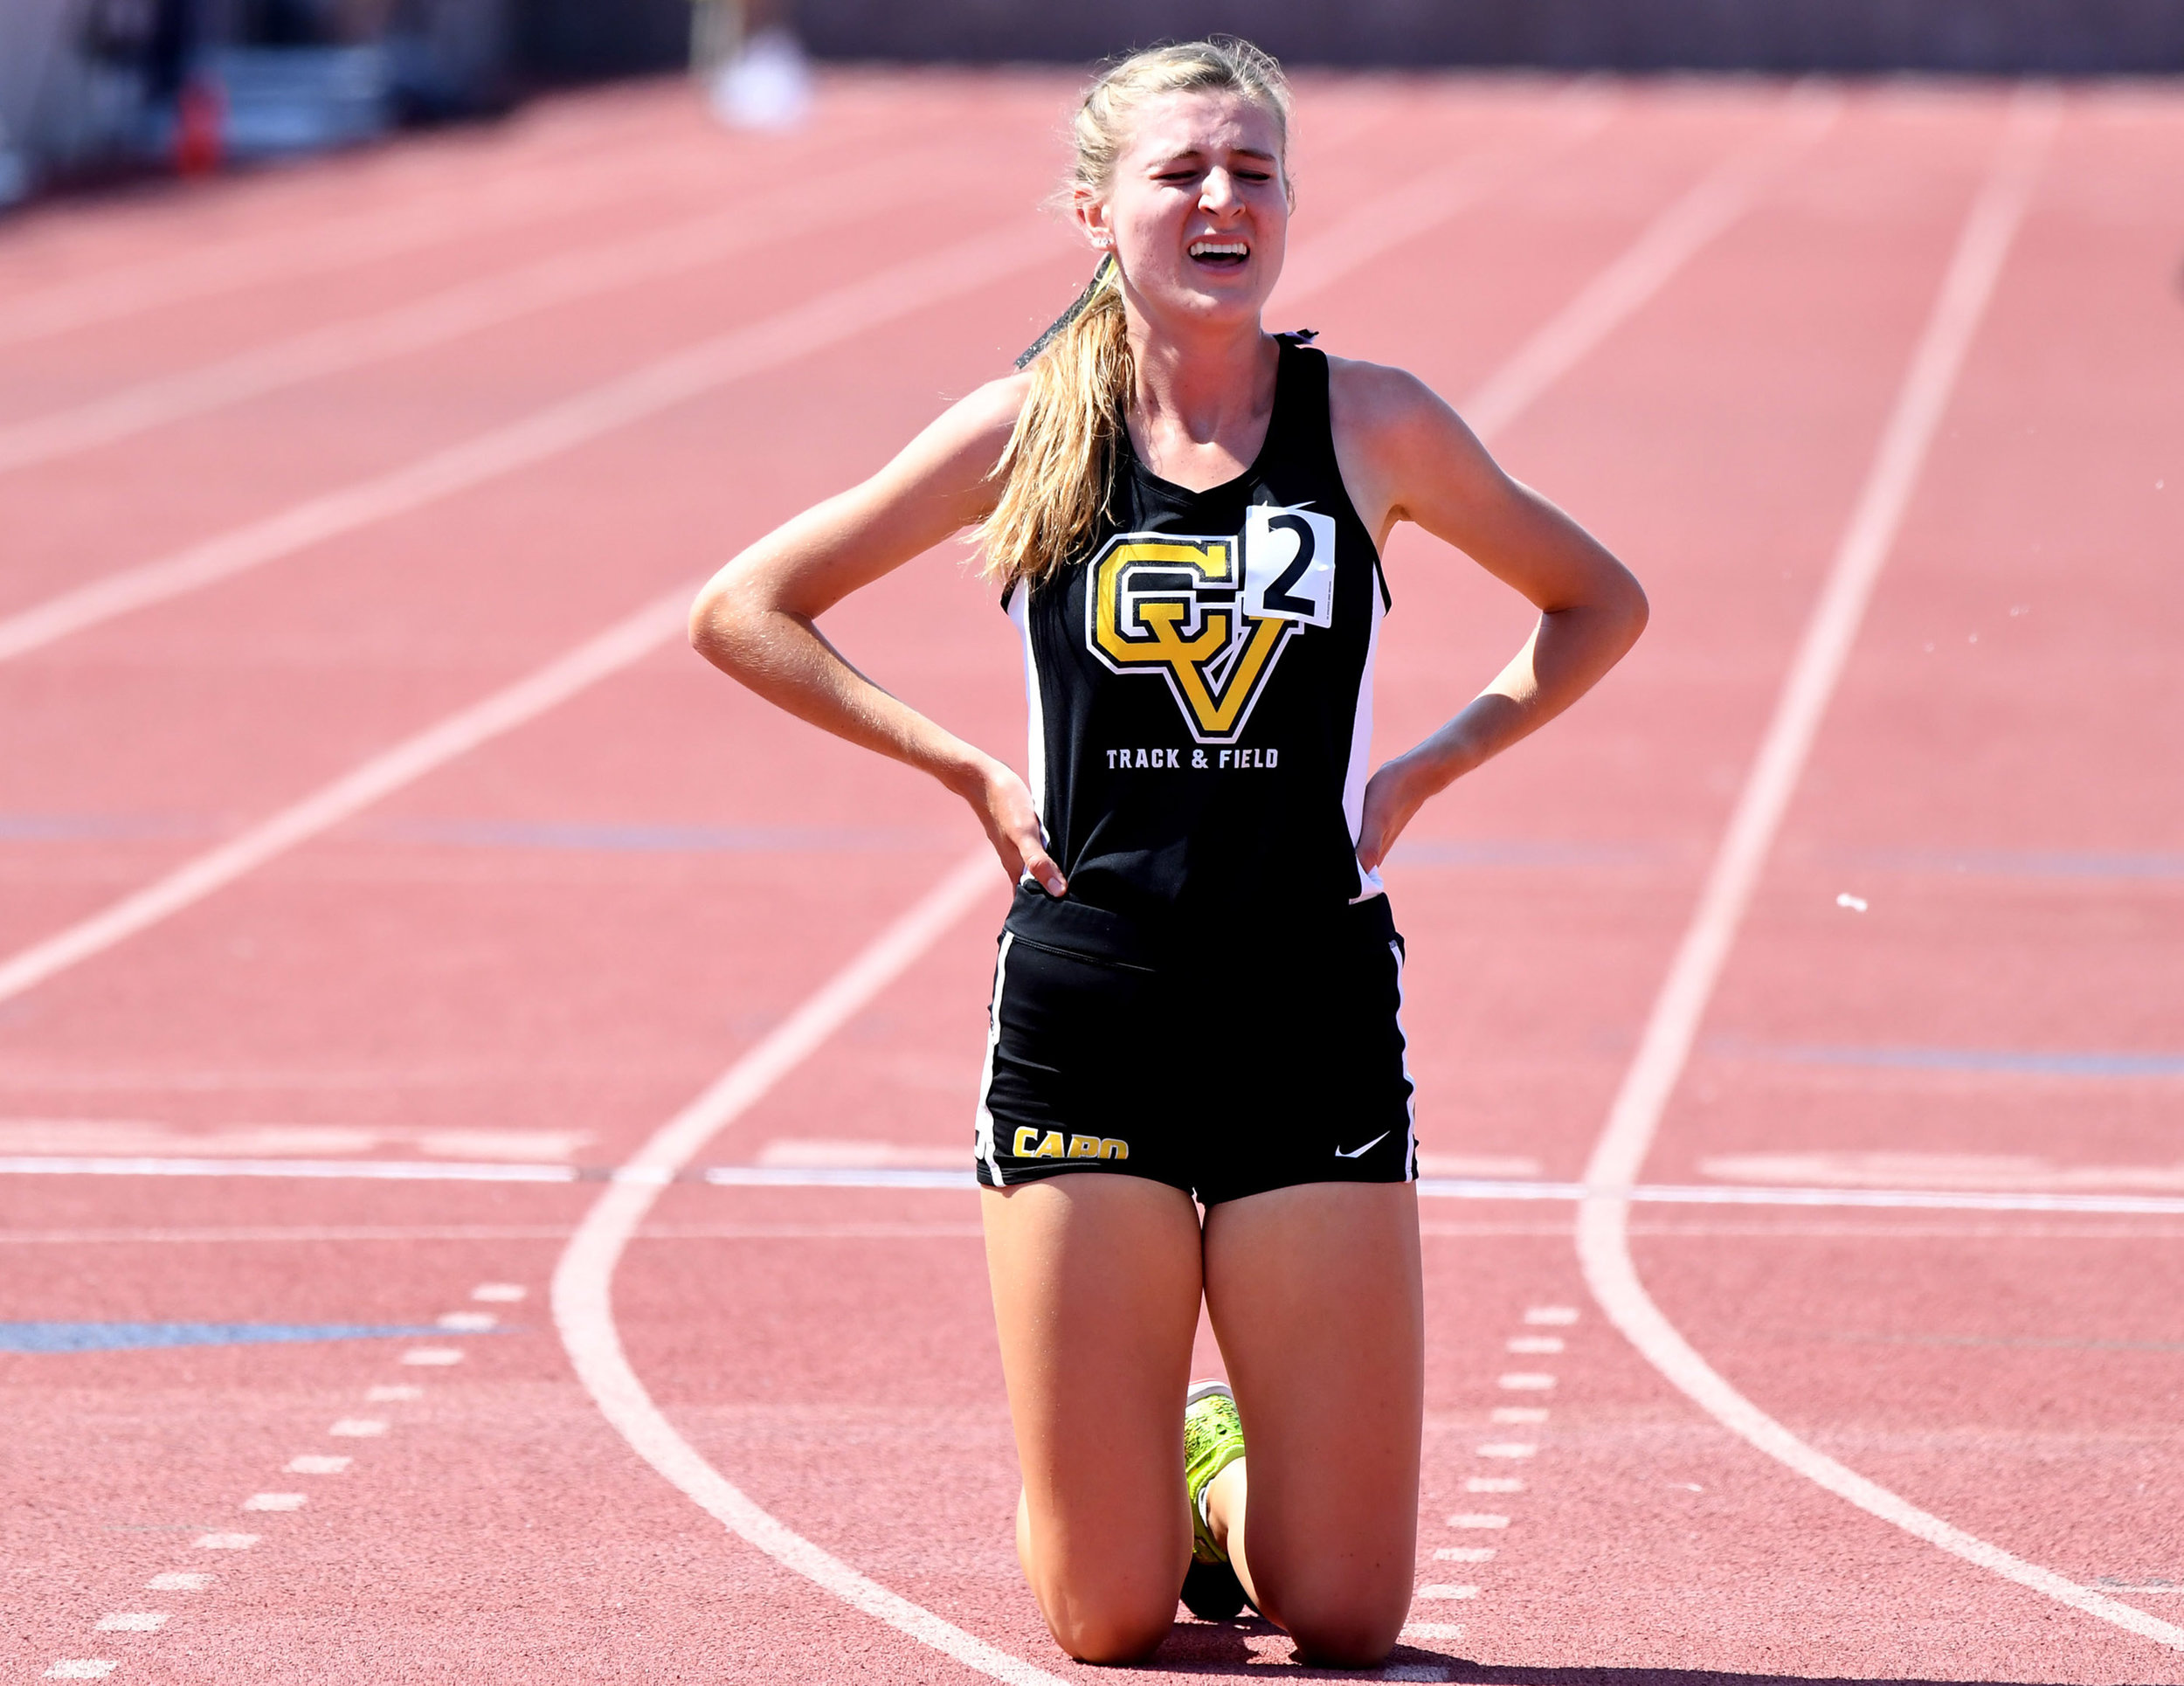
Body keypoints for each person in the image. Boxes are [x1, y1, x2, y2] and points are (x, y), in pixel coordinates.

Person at [688, 37, 1646, 1668]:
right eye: (1182, 171)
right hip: (1093, 1012)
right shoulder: (1025, 431)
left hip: (1308, 1008)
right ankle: (1149, 1504)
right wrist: (965, 768)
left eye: (1254, 170)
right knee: (1108, 1620)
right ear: (1094, 210)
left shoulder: (1378, 426)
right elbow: (744, 610)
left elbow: (1596, 601)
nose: (1223, 199)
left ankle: (1218, 1478)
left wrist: (1429, 764)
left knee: (1348, 1615)